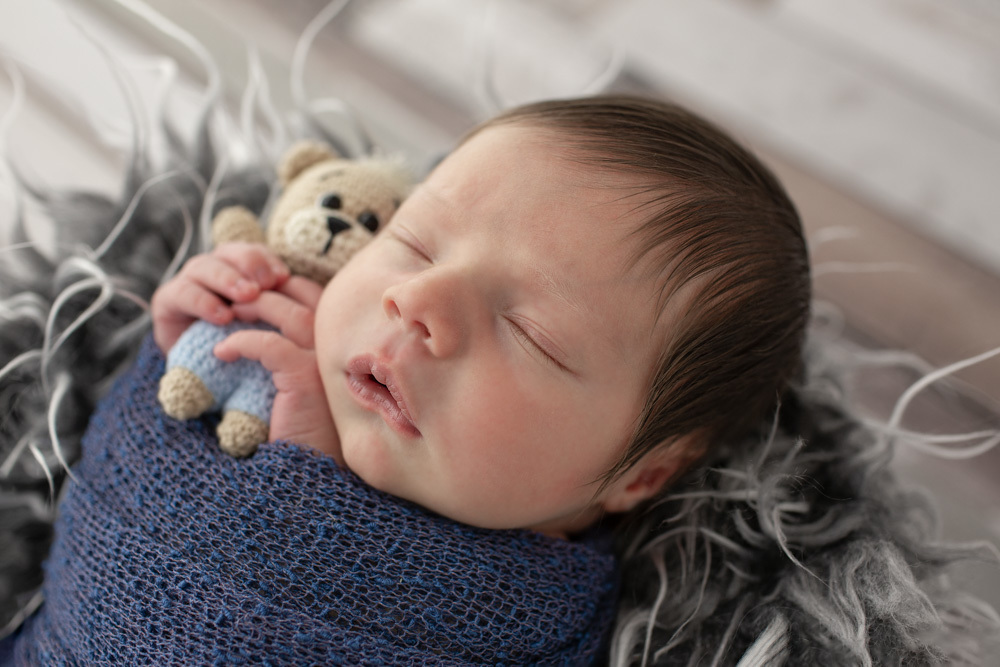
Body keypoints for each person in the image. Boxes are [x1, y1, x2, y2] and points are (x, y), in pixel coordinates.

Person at [6, 96, 983, 665]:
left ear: (635, 476)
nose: (417, 303)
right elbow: (105, 479)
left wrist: (301, 504)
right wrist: (175, 341)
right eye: (412, 240)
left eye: (532, 332)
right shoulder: (281, 344)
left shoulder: (527, 610)